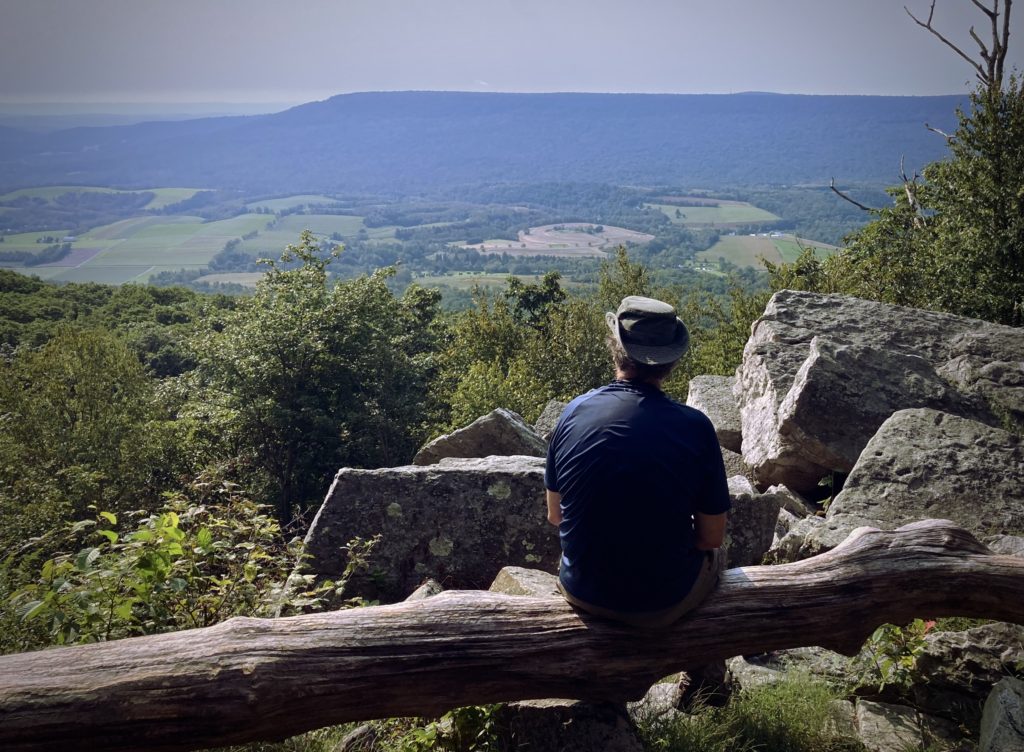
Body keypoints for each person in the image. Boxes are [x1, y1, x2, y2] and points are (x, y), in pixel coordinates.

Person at [544, 295, 730, 628]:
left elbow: (556, 515)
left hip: (583, 593)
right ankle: (703, 673)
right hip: (662, 601)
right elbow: (711, 538)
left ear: (616, 348)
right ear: (671, 361)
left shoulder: (574, 412)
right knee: (720, 557)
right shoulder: (695, 427)